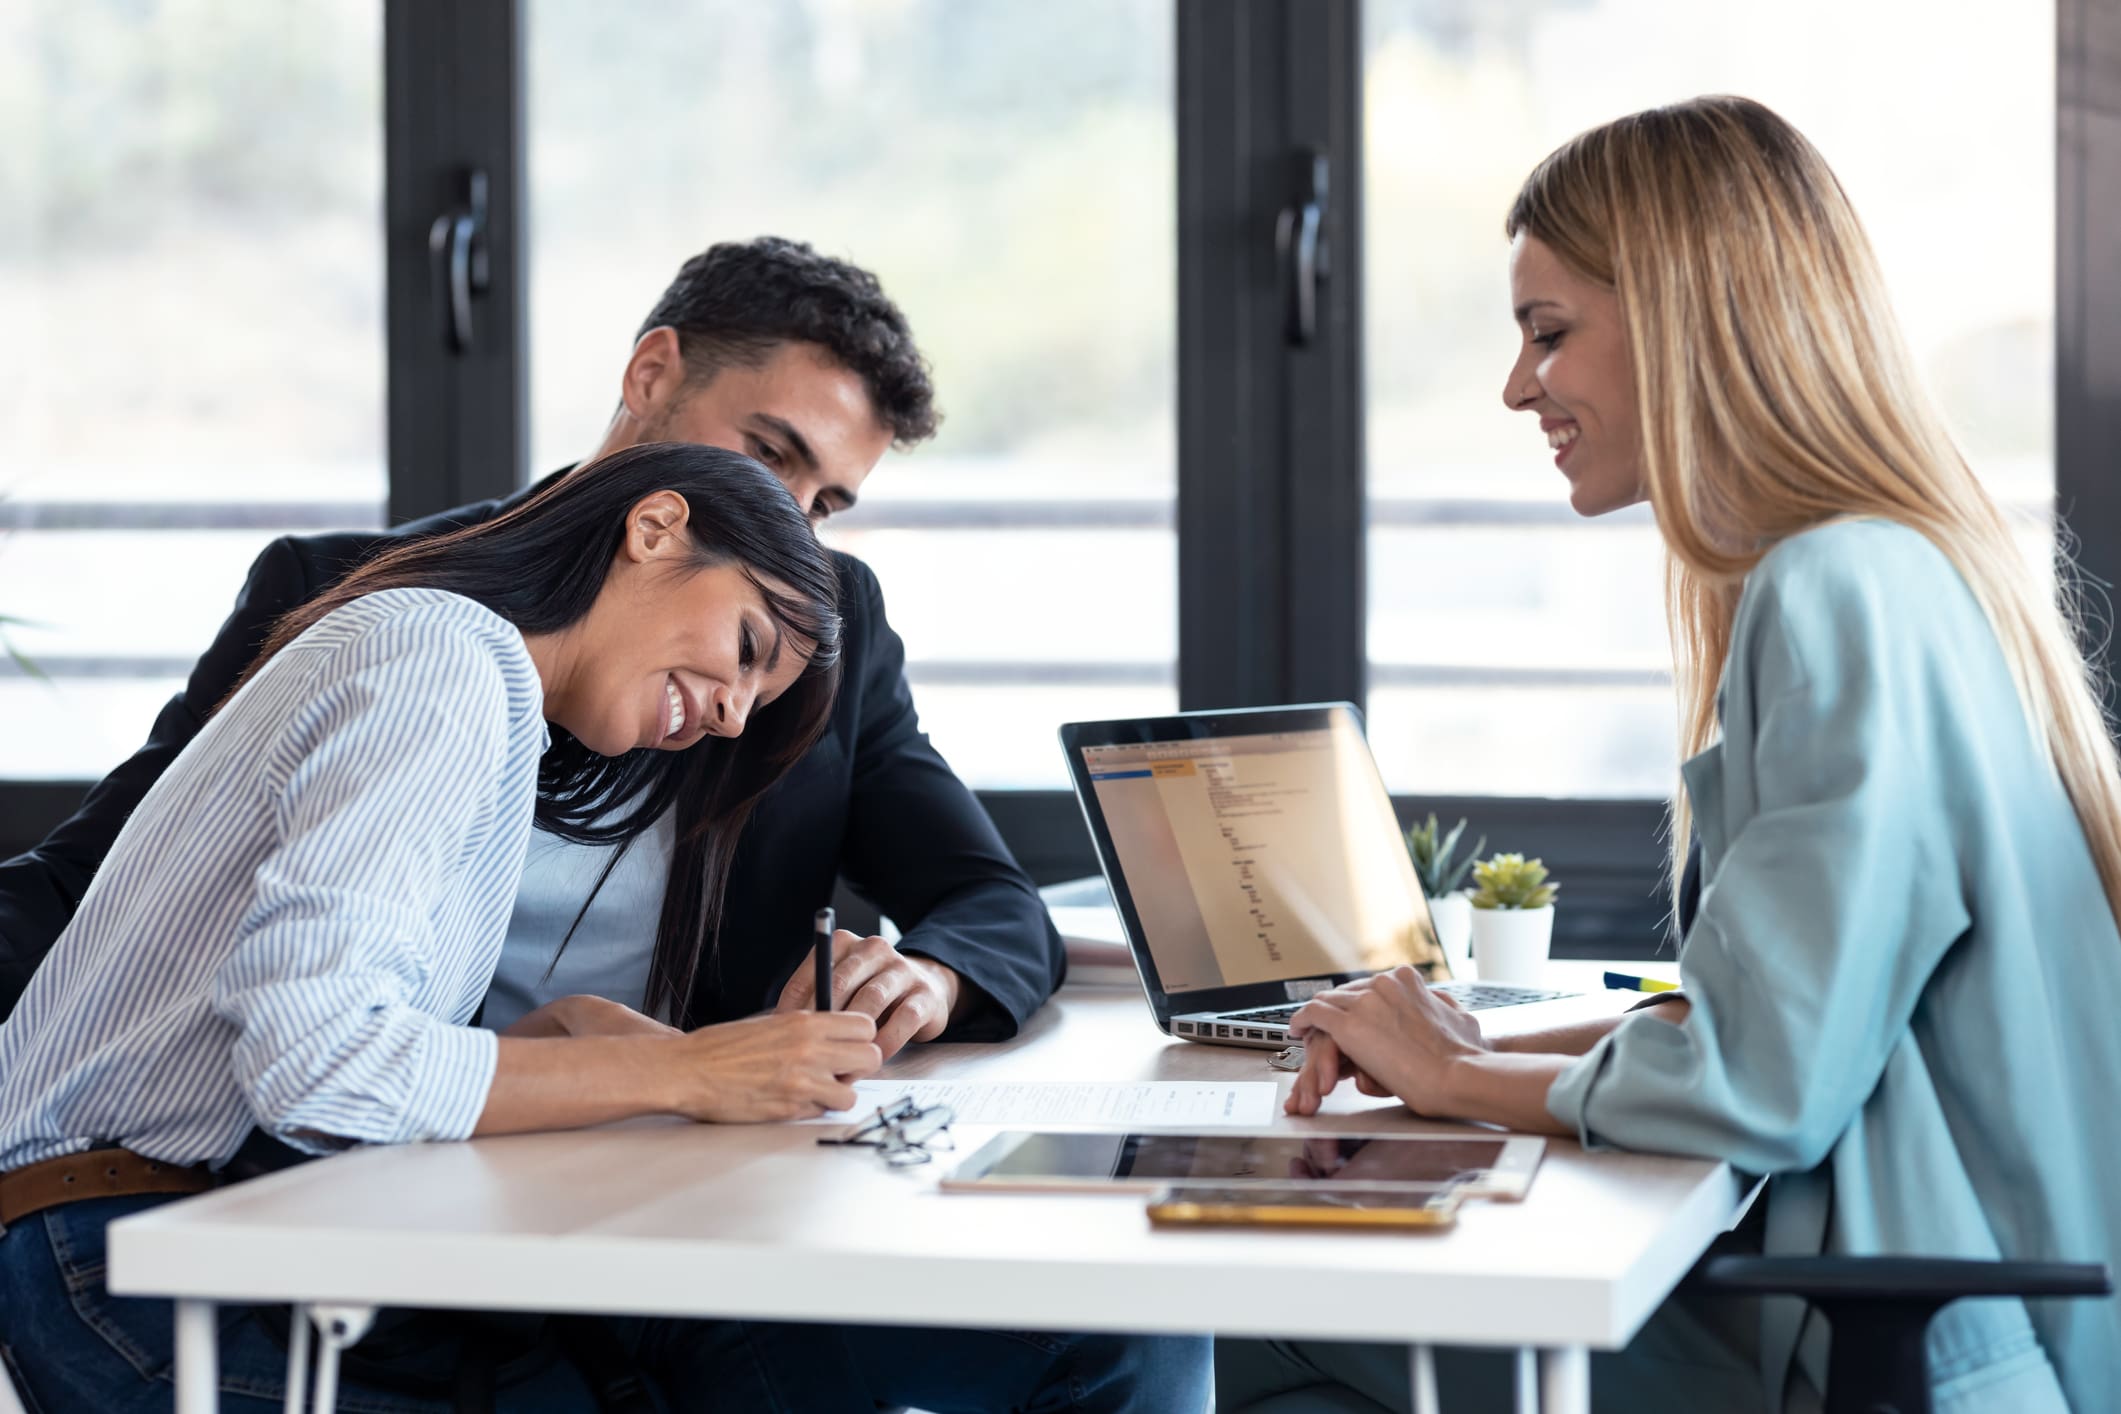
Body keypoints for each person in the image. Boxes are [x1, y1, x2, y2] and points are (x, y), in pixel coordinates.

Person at [1218, 96, 2121, 1414]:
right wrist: (1469, 1030)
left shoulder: (1835, 590)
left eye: (1548, 334)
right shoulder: (1908, 568)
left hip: (1926, 1354)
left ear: (1684, 317)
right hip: (1953, 1317)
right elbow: (1787, 1005)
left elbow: (1761, 1080)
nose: (1519, 385)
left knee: (1273, 1320)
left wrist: (1454, 1075)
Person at [0, 443, 1207, 1412]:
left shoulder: (475, 678)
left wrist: (562, 1049)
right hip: (124, 1260)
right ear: (653, 529)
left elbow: (313, 1033)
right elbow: (316, 1063)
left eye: (755, 700)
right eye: (743, 649)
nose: (731, 715)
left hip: (209, 1233)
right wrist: (683, 1069)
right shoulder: (440, 660)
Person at [0, 236, 1066, 1061]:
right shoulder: (353, 600)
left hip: (695, 1188)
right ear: (653, 372)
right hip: (394, 1167)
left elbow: (989, 901)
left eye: (824, 501)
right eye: (766, 454)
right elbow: (92, 887)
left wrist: (929, 978)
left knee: (1109, 1327)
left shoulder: (822, 637)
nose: (789, 520)